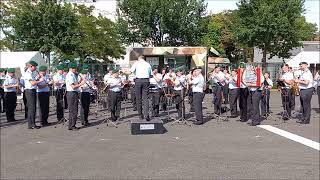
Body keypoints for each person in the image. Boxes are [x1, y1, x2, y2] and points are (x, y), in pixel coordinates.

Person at [128, 56, 152, 121]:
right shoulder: (148, 64)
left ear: (139, 58)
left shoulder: (136, 63)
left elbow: (130, 72)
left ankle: (140, 115)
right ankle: (146, 115)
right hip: (146, 81)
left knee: (138, 98)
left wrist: (125, 71)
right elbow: (150, 74)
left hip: (138, 80)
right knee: (145, 98)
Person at [23, 60, 43, 129]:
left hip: (33, 90)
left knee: (33, 107)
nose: (36, 68)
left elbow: (35, 80)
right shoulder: (28, 73)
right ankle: (31, 124)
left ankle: (32, 123)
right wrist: (40, 80)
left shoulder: (32, 73)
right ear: (31, 66)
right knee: (32, 108)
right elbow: (33, 83)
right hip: (29, 91)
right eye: (35, 66)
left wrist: (39, 77)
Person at [66, 62, 85, 131]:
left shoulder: (73, 75)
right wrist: (81, 84)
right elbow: (73, 86)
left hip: (74, 93)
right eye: (75, 68)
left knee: (74, 110)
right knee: (73, 110)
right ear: (71, 68)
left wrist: (81, 80)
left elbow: (76, 83)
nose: (76, 69)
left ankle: (71, 125)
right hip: (72, 93)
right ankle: (72, 125)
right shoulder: (70, 75)